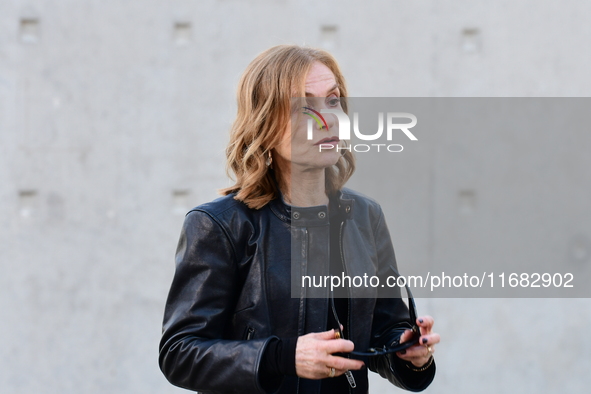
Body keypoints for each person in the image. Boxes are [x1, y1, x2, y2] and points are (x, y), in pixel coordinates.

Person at [159, 45, 440, 394]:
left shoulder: (366, 217)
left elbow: (382, 334)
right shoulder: (219, 224)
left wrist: (408, 351)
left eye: (333, 100)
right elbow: (179, 353)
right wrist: (283, 357)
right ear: (265, 123)